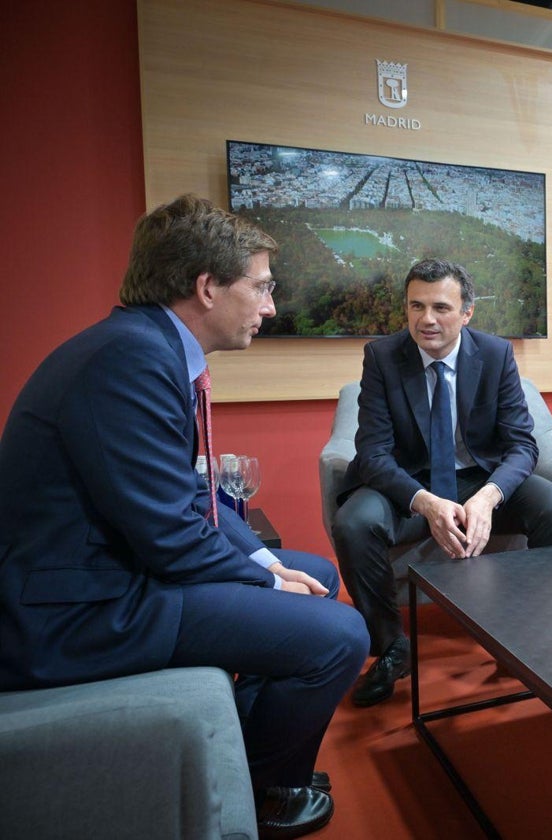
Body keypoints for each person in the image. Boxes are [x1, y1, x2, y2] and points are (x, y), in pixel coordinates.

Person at [0, 195, 369, 839]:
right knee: (340, 637)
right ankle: (259, 791)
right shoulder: (131, 360)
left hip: (109, 569)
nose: (271, 306)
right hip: (78, 608)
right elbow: (170, 536)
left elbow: (186, 497)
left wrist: (266, 562)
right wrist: (264, 580)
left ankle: (258, 746)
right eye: (260, 287)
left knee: (311, 570)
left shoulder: (140, 347)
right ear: (206, 287)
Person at [332, 258, 552, 707]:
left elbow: (522, 445)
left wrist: (489, 496)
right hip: (407, 484)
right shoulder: (382, 357)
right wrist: (424, 501)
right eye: (416, 306)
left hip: (477, 478)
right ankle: (391, 648)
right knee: (353, 523)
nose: (427, 319)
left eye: (441, 307)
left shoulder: (496, 354)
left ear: (467, 313)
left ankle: (522, 636)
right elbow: (372, 453)